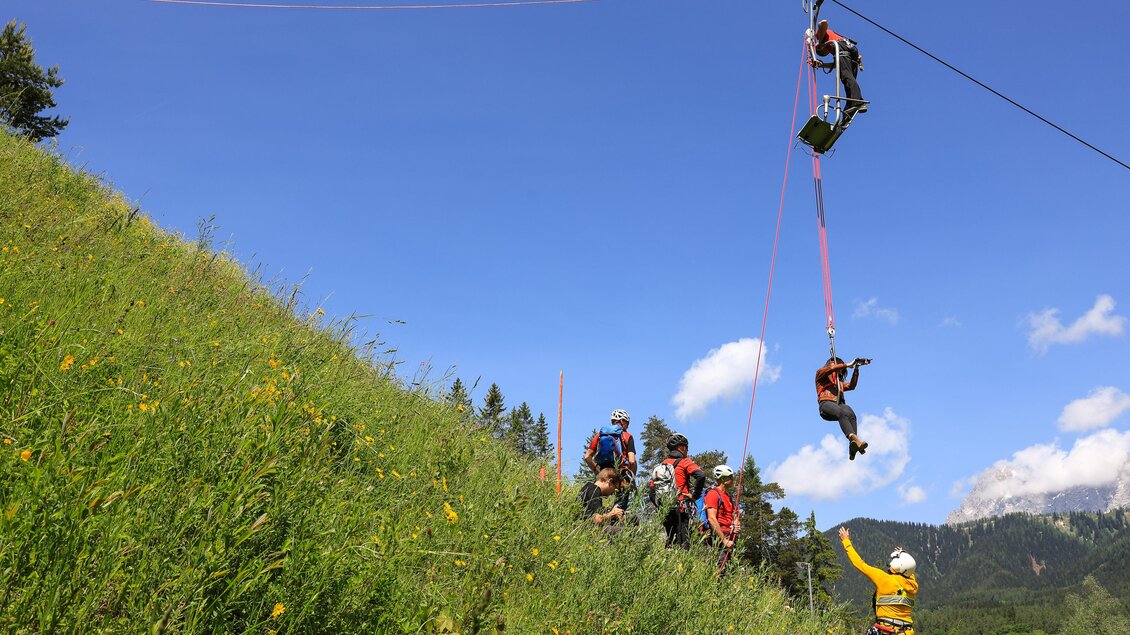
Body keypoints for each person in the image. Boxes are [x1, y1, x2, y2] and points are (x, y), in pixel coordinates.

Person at [838, 526, 918, 635]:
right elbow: (909, 570)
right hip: (907, 632)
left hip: (888, 631)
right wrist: (903, 554)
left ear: (897, 565)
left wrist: (846, 541)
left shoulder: (884, 579)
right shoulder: (913, 585)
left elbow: (859, 563)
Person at [653, 433, 705, 549]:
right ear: (681, 447)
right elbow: (701, 476)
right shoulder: (684, 462)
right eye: (686, 447)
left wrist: (660, 505)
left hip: (665, 508)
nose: (687, 450)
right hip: (681, 506)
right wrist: (695, 496)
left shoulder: (661, 466)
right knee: (684, 543)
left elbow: (652, 491)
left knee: (670, 540)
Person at [809, 19, 866, 121]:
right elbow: (837, 65)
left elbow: (823, 23)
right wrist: (821, 65)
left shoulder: (821, 37)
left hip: (842, 48)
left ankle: (857, 101)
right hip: (851, 52)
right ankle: (850, 106)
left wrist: (821, 42)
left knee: (846, 77)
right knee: (848, 78)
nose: (827, 52)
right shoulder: (833, 45)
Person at [815, 356, 870, 460]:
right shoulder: (820, 375)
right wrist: (848, 364)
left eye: (841, 371)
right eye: (839, 369)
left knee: (850, 413)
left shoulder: (839, 384)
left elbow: (852, 386)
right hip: (826, 404)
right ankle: (854, 439)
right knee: (842, 412)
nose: (840, 372)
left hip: (838, 405)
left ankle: (853, 444)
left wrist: (856, 368)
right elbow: (831, 369)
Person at [583, 409, 637, 508]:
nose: (628, 426)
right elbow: (632, 461)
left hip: (604, 473)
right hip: (622, 473)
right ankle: (617, 521)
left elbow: (587, 457)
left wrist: (597, 471)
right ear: (622, 422)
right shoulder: (627, 436)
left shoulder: (600, 435)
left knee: (596, 502)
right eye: (627, 423)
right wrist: (631, 479)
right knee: (621, 505)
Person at [704, 464, 740, 575]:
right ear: (723, 479)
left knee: (729, 570)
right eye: (730, 477)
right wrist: (724, 540)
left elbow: (734, 515)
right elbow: (711, 518)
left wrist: (736, 523)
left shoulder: (728, 497)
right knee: (719, 570)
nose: (733, 479)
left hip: (730, 537)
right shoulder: (713, 494)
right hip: (718, 537)